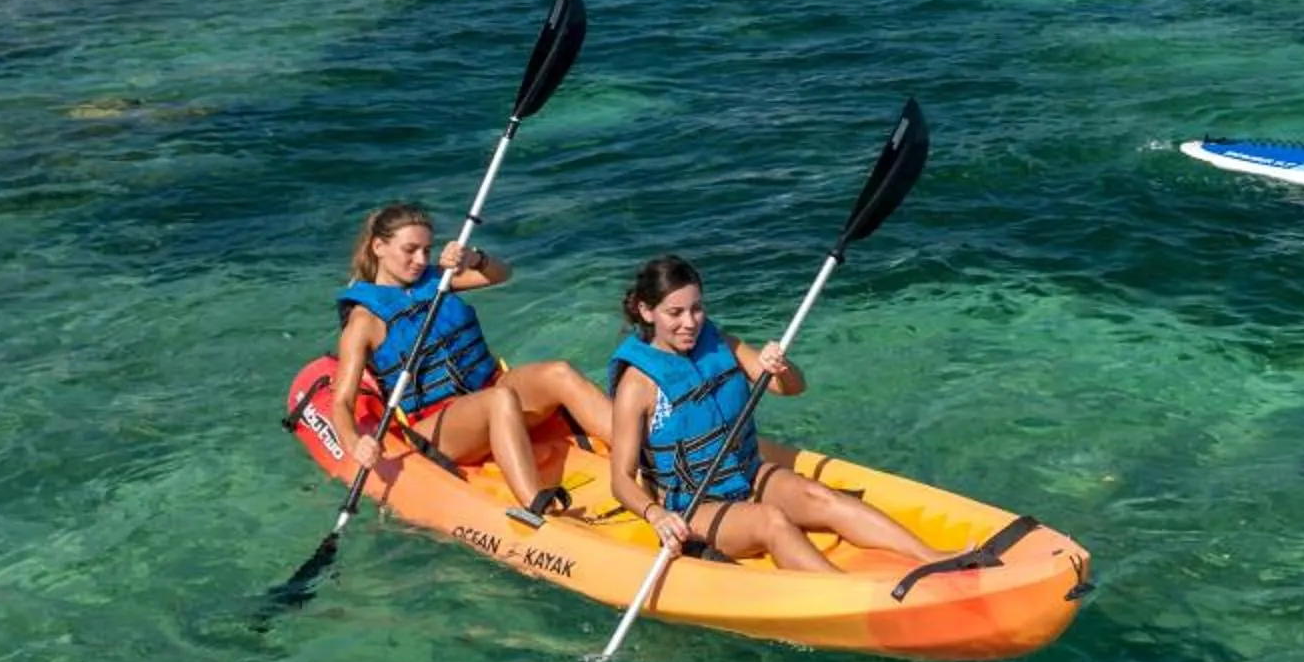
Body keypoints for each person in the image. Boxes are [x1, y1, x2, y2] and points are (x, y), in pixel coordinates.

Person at [602, 255, 931, 569]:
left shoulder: (722, 345)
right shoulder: (638, 386)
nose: (690, 323)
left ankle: (933, 557)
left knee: (819, 496)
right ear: (647, 312)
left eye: (697, 309)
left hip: (745, 473)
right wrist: (656, 515)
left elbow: (792, 388)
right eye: (675, 313)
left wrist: (781, 367)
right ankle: (850, 595)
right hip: (693, 506)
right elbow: (621, 479)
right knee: (772, 521)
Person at [327, 201, 615, 521]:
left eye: (427, 249)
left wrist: (472, 257)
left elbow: (502, 274)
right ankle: (538, 507)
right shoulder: (364, 321)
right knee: (498, 399)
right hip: (440, 428)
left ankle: (645, 453)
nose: (421, 260)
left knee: (559, 372)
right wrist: (355, 442)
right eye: (410, 250)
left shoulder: (438, 279)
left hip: (489, 389)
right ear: (379, 246)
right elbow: (341, 403)